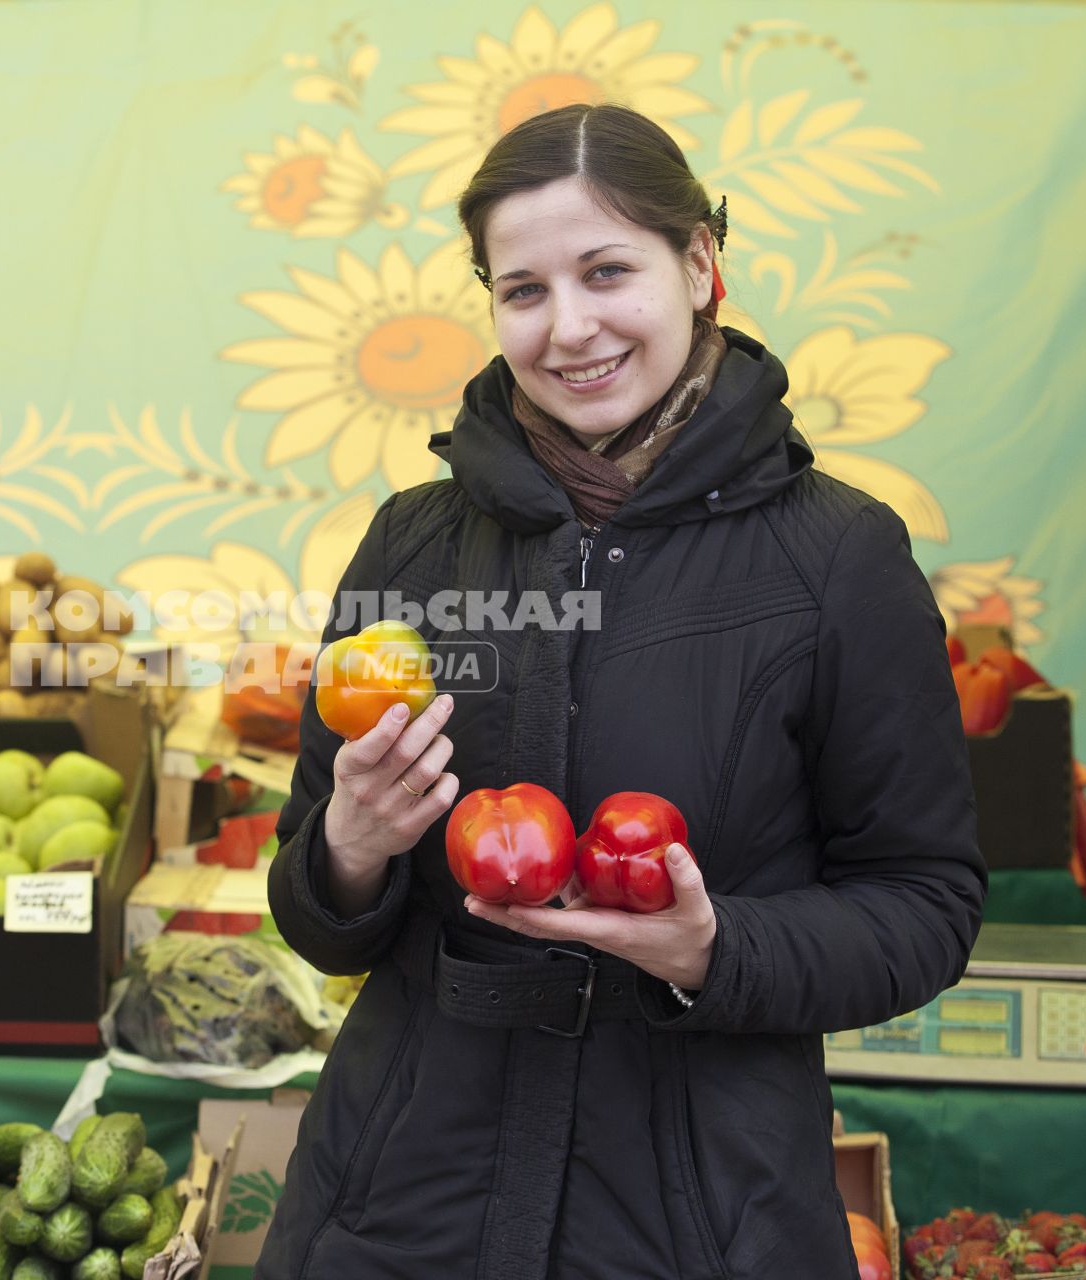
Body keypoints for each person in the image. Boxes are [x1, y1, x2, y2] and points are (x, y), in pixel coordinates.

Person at [260, 103, 985, 1279]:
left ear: (701, 265)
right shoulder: (411, 544)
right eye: (523, 289)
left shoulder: (836, 557)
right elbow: (311, 908)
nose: (569, 328)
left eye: (607, 271)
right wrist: (346, 845)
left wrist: (714, 947)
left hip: (702, 1220)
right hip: (400, 1210)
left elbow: (926, 902)